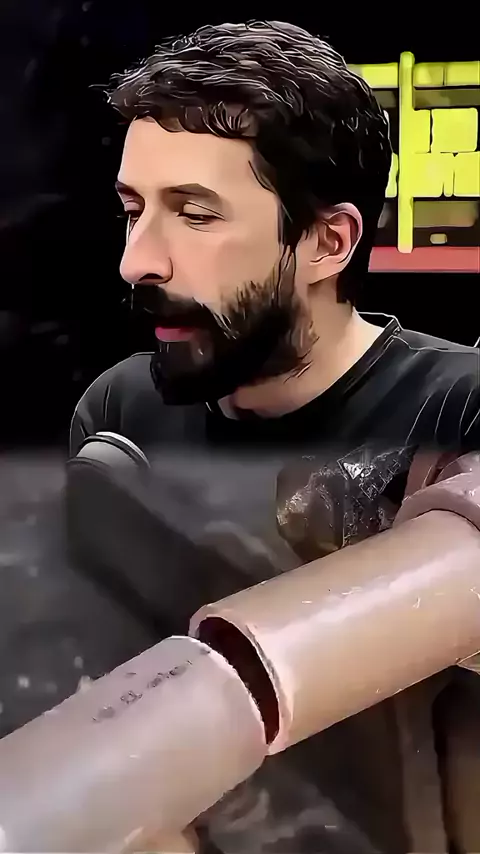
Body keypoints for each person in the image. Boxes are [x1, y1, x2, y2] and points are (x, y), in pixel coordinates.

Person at [70, 21, 480, 854]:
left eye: (195, 214)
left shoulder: (460, 407)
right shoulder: (119, 413)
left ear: (329, 242)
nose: (137, 262)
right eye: (133, 210)